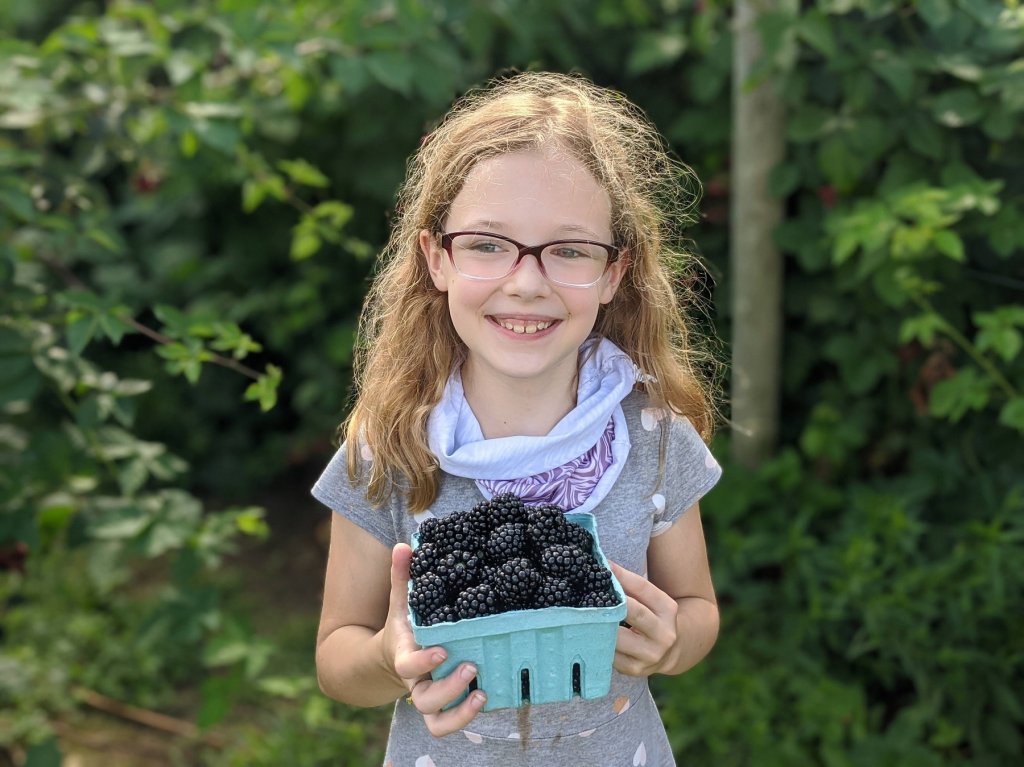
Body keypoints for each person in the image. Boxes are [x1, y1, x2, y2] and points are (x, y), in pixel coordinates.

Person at [313, 70, 722, 766]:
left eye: (568, 249)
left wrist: (674, 639)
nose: (527, 281)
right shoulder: (390, 445)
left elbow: (699, 608)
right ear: (436, 257)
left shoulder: (650, 433)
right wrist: (389, 655)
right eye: (488, 244)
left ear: (614, 273)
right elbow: (336, 654)